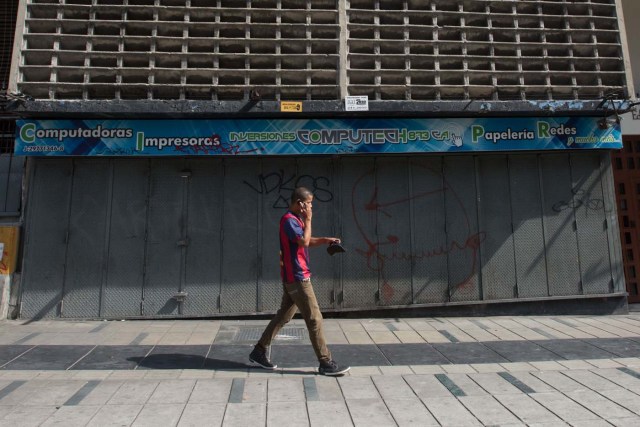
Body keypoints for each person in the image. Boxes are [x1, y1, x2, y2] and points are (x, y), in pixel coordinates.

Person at [249, 186, 350, 376]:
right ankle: (326, 362)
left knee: (284, 316)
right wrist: (309, 219)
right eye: (309, 203)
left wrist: (326, 240)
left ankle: (259, 351)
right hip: (298, 278)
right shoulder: (288, 220)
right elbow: (303, 242)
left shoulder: (295, 220)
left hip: (293, 277)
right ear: (300, 203)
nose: (311, 207)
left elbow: (306, 240)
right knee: (314, 318)